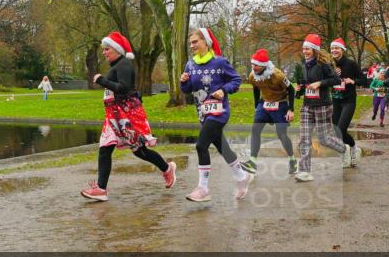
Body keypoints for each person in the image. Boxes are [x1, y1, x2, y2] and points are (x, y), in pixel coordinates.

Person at [81, 32, 177, 202]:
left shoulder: (124, 64)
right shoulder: (117, 65)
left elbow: (124, 88)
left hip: (126, 116)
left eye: (107, 49)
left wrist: (103, 81)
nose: (104, 52)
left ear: (117, 50)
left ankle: (167, 168)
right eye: (103, 49)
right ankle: (101, 189)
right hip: (114, 116)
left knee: (139, 151)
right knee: (104, 149)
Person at [180, 27, 251, 202]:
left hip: (219, 112)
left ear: (206, 42)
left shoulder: (220, 62)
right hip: (203, 113)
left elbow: (236, 80)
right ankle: (242, 176)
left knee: (201, 145)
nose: (192, 45)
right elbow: (189, 89)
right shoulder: (190, 64)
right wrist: (183, 82)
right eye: (190, 43)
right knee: (222, 147)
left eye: (195, 41)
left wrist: (223, 90)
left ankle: (203, 188)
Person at [293, 34, 348, 182]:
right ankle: (304, 171)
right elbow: (305, 84)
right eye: (303, 48)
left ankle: (344, 149)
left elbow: (335, 80)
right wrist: (299, 89)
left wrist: (320, 83)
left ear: (315, 49)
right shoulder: (303, 65)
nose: (305, 51)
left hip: (323, 105)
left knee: (324, 139)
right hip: (307, 106)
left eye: (308, 49)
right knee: (304, 138)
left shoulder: (323, 64)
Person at [244, 48, 297, 175]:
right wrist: (257, 105)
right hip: (265, 103)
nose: (253, 67)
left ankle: (292, 160)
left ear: (263, 65)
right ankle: (252, 162)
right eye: (252, 64)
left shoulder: (277, 75)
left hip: (280, 103)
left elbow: (291, 90)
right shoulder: (252, 75)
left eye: (256, 65)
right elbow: (256, 88)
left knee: (281, 134)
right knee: (255, 130)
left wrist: (291, 110)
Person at [330, 38, 361, 168]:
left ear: (342, 50)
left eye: (337, 48)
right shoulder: (329, 65)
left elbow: (364, 79)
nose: (334, 51)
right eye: (332, 48)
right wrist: (332, 74)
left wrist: (353, 81)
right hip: (336, 101)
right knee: (337, 131)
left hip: (348, 100)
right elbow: (324, 80)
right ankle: (353, 147)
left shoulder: (351, 64)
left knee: (341, 129)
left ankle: (347, 150)